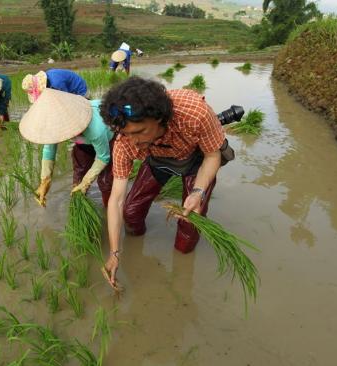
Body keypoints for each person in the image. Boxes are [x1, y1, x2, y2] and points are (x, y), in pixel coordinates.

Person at [99, 77, 227, 290]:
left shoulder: (194, 113)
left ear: (159, 118)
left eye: (139, 132)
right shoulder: (125, 143)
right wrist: (114, 252)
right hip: (158, 159)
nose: (132, 141)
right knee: (130, 212)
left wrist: (198, 192)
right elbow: (116, 200)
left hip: (196, 160)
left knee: (190, 221)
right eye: (125, 134)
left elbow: (213, 156)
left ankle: (182, 271)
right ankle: (136, 241)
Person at [19, 88, 115, 208]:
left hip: (109, 139)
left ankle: (109, 209)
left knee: (105, 181)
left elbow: (103, 157)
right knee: (78, 176)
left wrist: (86, 182)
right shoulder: (54, 123)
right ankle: (79, 205)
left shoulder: (96, 127)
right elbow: (49, 148)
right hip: (83, 142)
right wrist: (45, 181)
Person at [22, 69, 88, 103]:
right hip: (68, 89)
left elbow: (67, 99)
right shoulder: (48, 79)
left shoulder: (57, 83)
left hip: (79, 89)